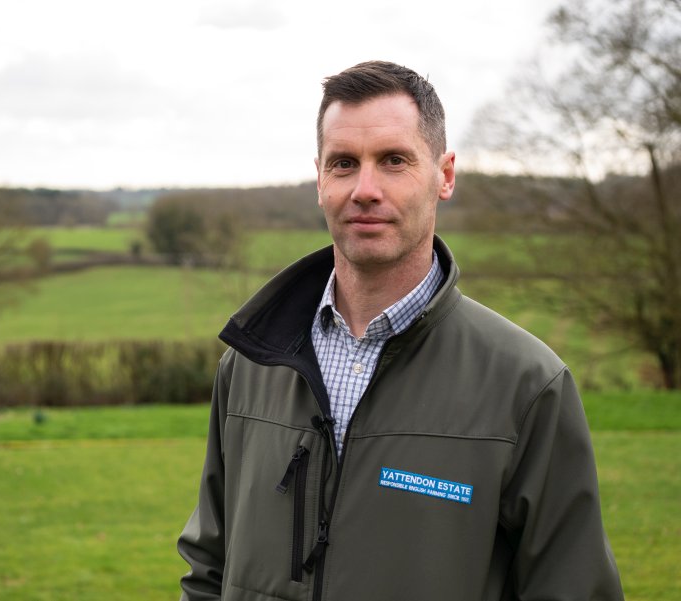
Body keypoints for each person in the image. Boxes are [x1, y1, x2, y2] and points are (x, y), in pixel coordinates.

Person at [177, 60, 624, 601]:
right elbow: (208, 567)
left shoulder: (527, 385)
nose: (365, 189)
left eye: (394, 161)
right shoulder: (251, 363)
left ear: (445, 175)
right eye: (344, 164)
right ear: (320, 178)